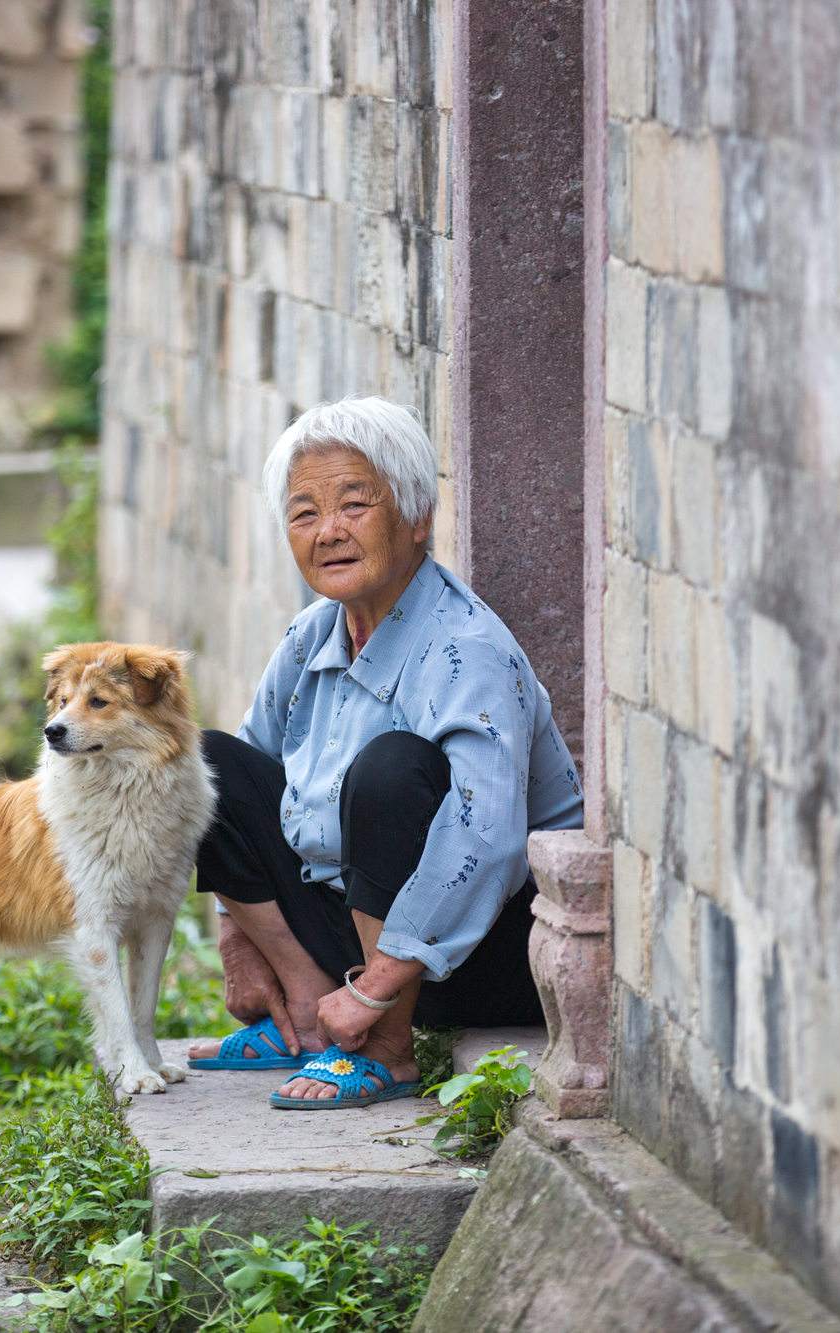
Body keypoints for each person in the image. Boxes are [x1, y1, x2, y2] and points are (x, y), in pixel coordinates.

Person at [185, 396, 583, 1108]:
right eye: (305, 513)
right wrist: (236, 936)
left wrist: (376, 987)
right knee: (198, 766)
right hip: (353, 922)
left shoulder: (468, 649)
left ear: (416, 516)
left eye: (354, 504)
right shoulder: (312, 636)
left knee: (391, 767)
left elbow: (489, 841)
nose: (328, 531)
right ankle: (309, 1011)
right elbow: (248, 777)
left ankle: (387, 1046)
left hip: (476, 949)